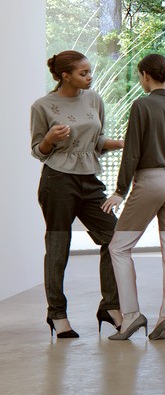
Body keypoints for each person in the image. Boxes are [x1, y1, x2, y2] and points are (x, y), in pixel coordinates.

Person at [31, 50, 125, 337]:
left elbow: (96, 141)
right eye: (83, 73)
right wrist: (49, 139)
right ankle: (57, 314)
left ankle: (110, 306)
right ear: (65, 76)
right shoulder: (43, 106)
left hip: (89, 180)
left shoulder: (94, 99)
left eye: (90, 71)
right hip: (57, 180)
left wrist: (125, 143)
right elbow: (37, 150)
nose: (89, 77)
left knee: (115, 238)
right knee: (59, 248)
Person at [105, 52, 165, 342]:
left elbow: (132, 151)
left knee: (119, 247)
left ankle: (131, 316)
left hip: (150, 181)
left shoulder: (142, 105)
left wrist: (120, 191)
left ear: (145, 75)